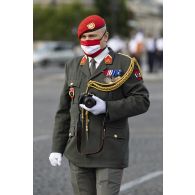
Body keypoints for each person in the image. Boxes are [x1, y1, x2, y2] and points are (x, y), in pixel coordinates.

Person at [49, 15, 150, 195]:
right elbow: (64, 111)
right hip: (77, 150)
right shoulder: (72, 65)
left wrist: (107, 107)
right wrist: (57, 148)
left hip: (109, 149)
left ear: (105, 36)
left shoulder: (124, 64)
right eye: (84, 37)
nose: (88, 41)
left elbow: (142, 101)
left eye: (93, 36)